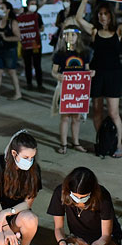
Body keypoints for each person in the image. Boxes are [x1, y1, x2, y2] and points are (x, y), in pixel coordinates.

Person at [76, 0, 122, 158]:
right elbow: (79, 19)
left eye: (106, 13)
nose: (103, 17)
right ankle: (103, 141)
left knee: (113, 112)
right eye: (100, 14)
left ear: (111, 15)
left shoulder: (118, 31)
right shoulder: (94, 31)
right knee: (96, 111)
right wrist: (85, 0)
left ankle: (118, 144)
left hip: (114, 74)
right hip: (97, 74)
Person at [49, 167, 122, 245]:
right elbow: (59, 227)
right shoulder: (60, 192)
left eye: (83, 197)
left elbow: (106, 235)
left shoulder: (102, 196)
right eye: (75, 196)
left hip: (103, 240)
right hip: (78, 237)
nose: (79, 201)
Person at [51, 25, 91, 154]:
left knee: (76, 117)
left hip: (79, 90)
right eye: (67, 35)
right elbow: (54, 71)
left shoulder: (84, 53)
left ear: (78, 36)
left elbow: (87, 69)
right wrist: (58, 76)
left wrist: (91, 73)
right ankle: (63, 144)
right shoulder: (60, 53)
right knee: (64, 117)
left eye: (73, 35)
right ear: (64, 37)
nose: (70, 38)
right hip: (65, 89)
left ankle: (76, 142)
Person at [0, 1, 22, 101]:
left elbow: (18, 37)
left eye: (2, 8)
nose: (0, 9)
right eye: (0, 7)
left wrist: (6, 38)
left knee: (12, 71)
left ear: (8, 10)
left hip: (10, 49)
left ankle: (18, 93)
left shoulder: (13, 22)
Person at [18, 0, 45, 91]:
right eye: (32, 4)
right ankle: (29, 83)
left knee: (37, 64)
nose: (34, 5)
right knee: (27, 65)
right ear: (27, 5)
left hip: (35, 44)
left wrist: (37, 28)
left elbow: (42, 28)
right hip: (25, 43)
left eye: (35, 4)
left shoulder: (37, 16)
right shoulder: (21, 17)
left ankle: (40, 85)